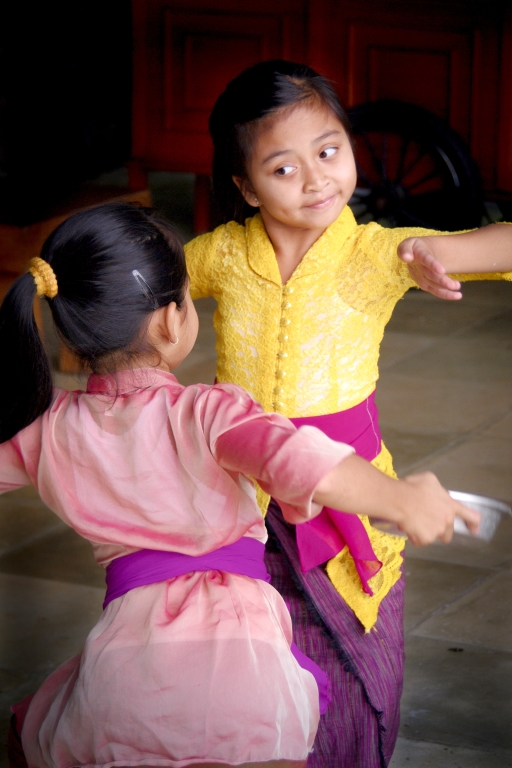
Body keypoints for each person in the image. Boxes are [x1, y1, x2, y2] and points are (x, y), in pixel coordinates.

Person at [0, 203, 478, 768]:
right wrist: (400, 498)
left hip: (121, 668)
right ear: (170, 320)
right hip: (236, 657)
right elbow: (296, 457)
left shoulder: (48, 429)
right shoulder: (206, 412)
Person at [184, 59, 512, 767]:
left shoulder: (376, 253)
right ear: (243, 185)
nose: (316, 179)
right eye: (283, 168)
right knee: (249, 670)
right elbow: (151, 284)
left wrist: (428, 248)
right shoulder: (223, 255)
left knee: (354, 664)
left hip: (348, 497)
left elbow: (502, 245)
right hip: (237, 499)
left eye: (329, 151)